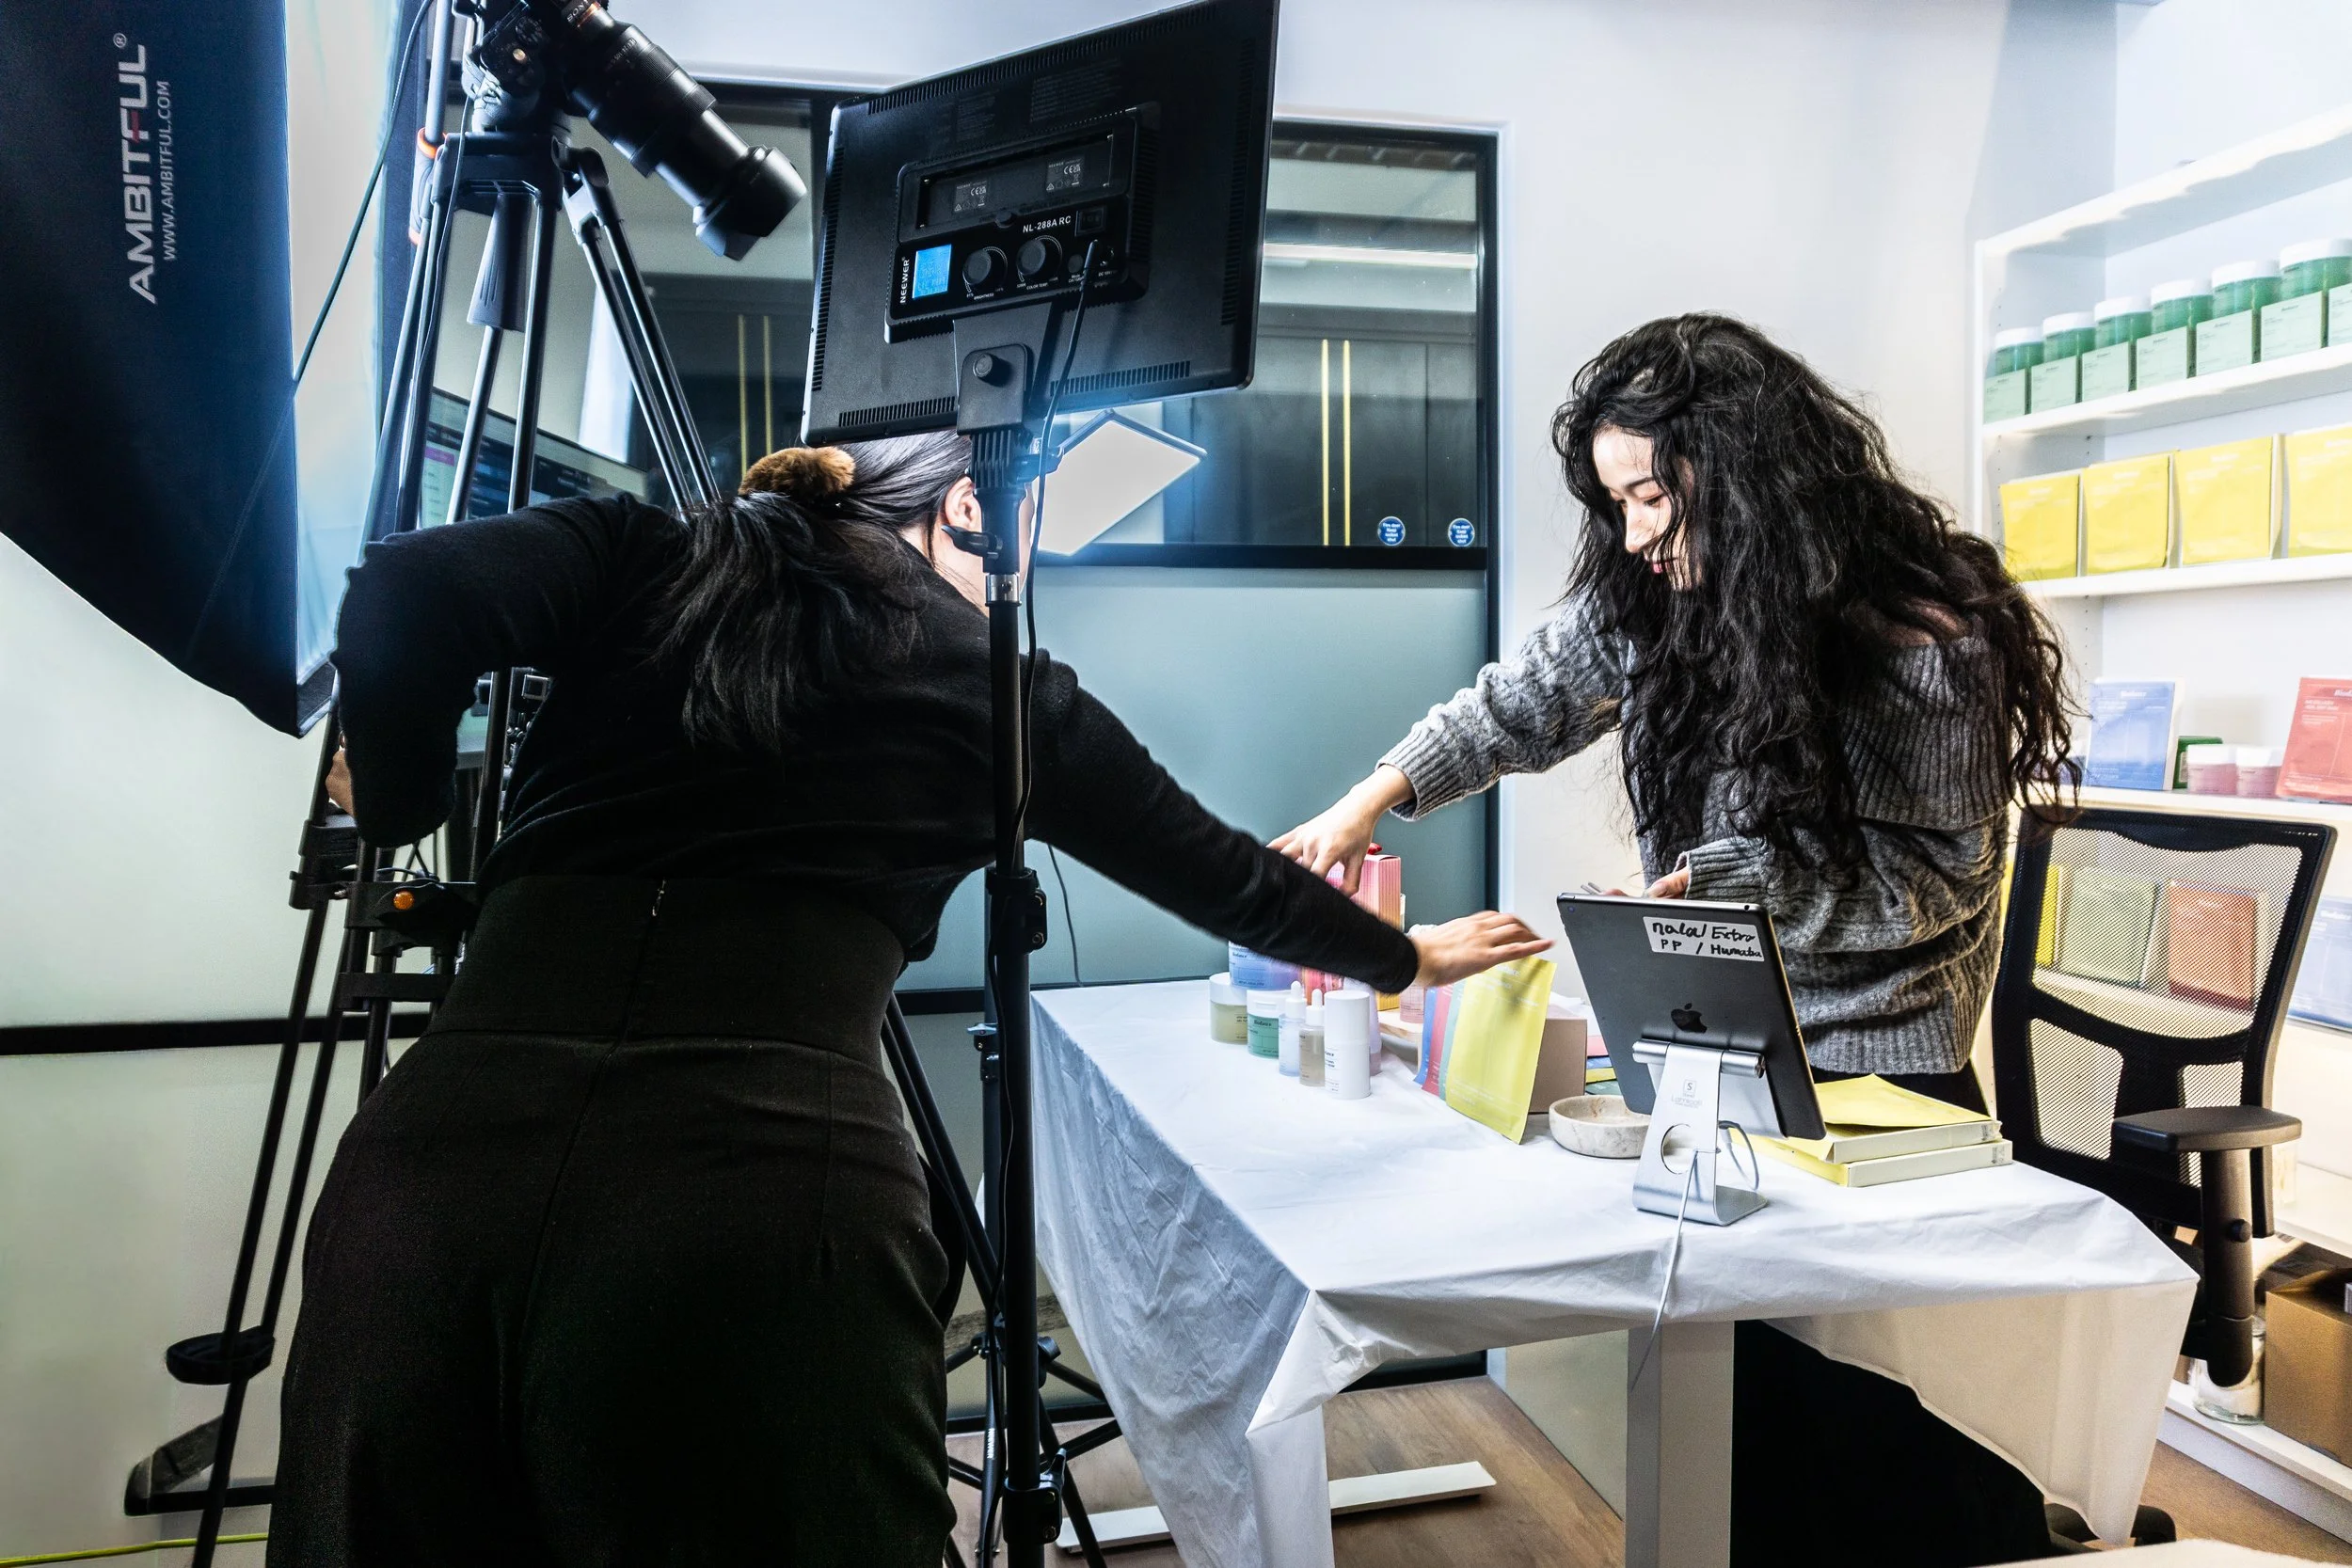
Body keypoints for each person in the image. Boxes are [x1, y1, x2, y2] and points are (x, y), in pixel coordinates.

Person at [273, 434, 1548, 1568]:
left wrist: (397, 808)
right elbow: (1230, 879)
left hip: (426, 1195)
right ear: (969, 512)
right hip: (761, 1218)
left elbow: (408, 586)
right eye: (1035, 523)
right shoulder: (1000, 691)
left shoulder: (641, 550)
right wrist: (1409, 958)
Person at [1277, 314, 2079, 1566]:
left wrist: (1719, 884)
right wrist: (1368, 798)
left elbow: (1929, 888)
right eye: (1619, 503)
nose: (1639, 532)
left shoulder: (1928, 645)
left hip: (1882, 1074)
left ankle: (2017, 1528)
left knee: (1807, 1416)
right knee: (1736, 1398)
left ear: (1745, 476)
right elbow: (1524, 697)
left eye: (1653, 493)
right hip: (1730, 1040)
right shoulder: (1666, 601)